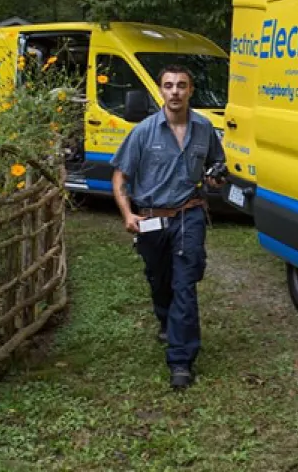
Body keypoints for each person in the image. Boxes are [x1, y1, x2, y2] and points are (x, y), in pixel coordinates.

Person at [110, 63, 226, 389]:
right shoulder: (143, 132)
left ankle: (181, 361)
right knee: (159, 279)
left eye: (181, 85)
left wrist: (216, 179)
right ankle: (164, 318)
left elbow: (216, 169)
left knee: (185, 286)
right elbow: (120, 177)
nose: (175, 91)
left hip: (189, 215)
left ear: (191, 91)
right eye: (169, 85)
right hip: (150, 218)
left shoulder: (204, 129)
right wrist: (128, 215)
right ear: (160, 90)